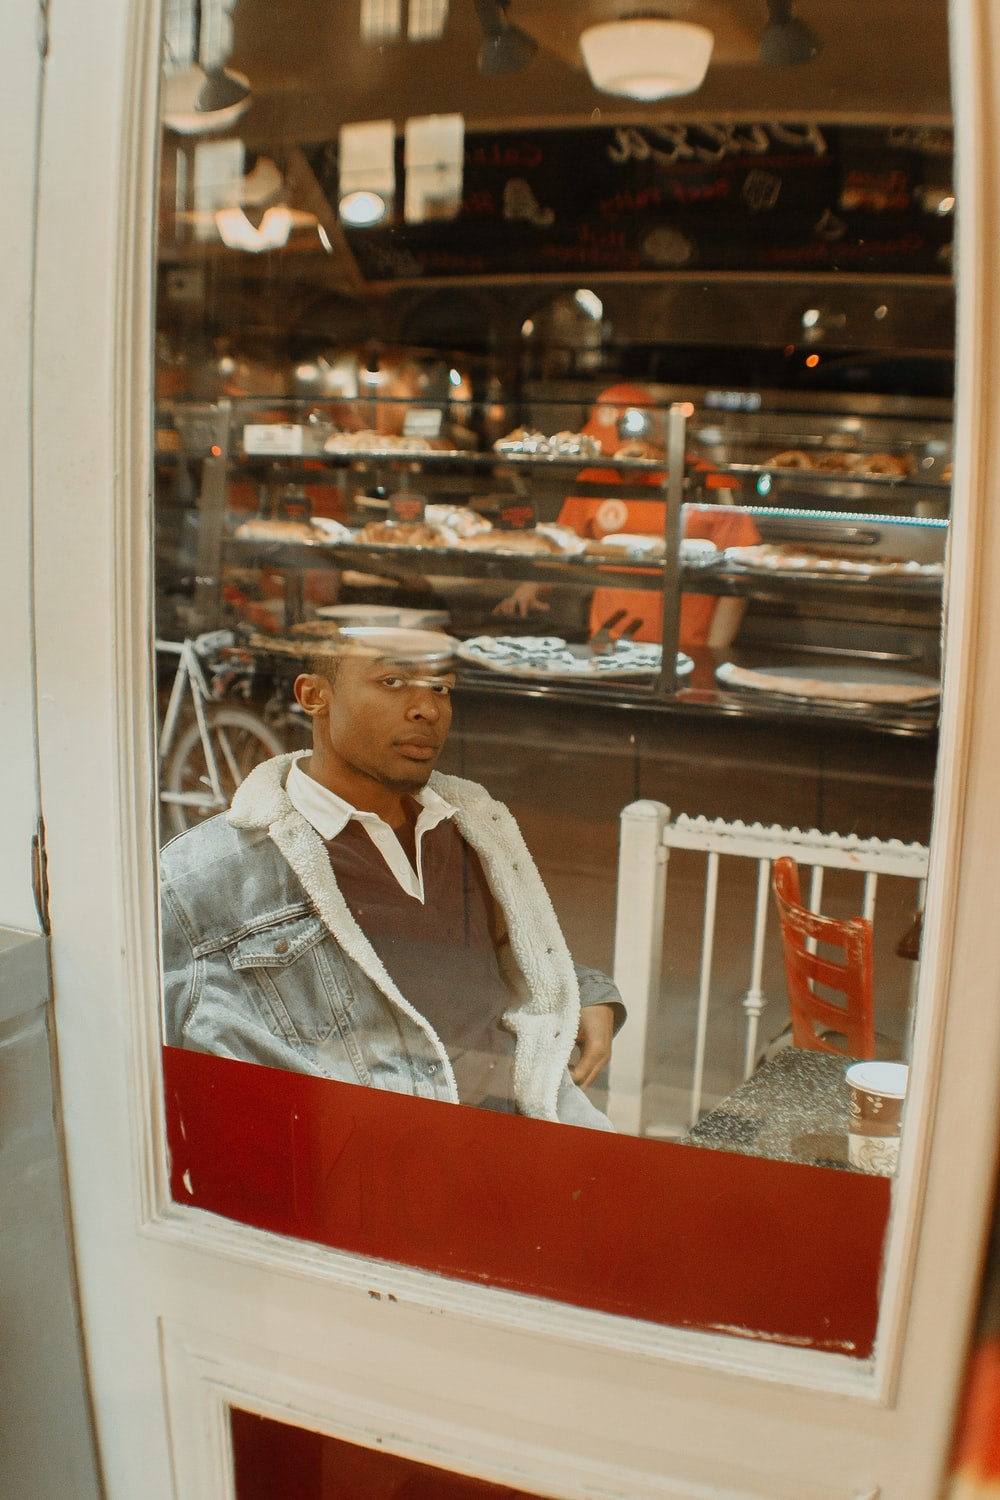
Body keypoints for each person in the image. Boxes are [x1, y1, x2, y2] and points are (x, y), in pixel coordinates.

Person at [160, 628, 622, 1129]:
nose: (428, 708)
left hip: (521, 1128)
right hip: (366, 1152)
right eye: (393, 682)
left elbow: (490, 956)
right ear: (314, 696)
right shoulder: (203, 876)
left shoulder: (470, 823)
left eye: (441, 687)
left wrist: (586, 990)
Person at [496, 383, 760, 650]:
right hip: (607, 643)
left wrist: (712, 651)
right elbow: (563, 549)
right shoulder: (594, 478)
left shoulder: (709, 481)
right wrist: (529, 588)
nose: (617, 454)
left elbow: (738, 578)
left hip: (685, 647)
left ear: (656, 434)